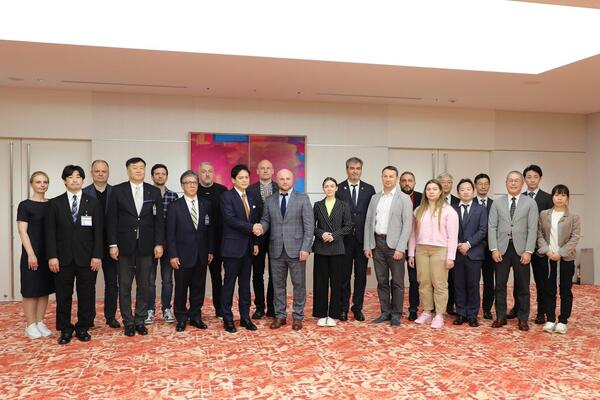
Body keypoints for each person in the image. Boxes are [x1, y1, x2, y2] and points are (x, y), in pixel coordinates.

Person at [46, 165, 103, 344]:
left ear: (83, 180)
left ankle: (83, 327)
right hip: (62, 258)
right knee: (63, 295)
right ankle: (65, 328)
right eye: (70, 177)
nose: (75, 180)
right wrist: (52, 256)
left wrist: (97, 255)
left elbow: (99, 232)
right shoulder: (55, 203)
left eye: (78, 176)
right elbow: (50, 233)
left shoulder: (93, 203)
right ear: (65, 180)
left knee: (87, 293)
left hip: (87, 258)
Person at [107, 157, 164, 337]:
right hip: (124, 245)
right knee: (124, 285)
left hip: (147, 246)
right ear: (128, 171)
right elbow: (111, 219)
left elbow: (159, 221)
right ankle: (128, 322)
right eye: (135, 168)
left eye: (141, 168)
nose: (138, 170)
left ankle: (140, 320)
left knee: (144, 285)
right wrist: (113, 244)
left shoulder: (154, 191)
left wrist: (159, 243)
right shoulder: (117, 190)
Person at [259, 169, 314, 331]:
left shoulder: (303, 198)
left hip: (297, 250)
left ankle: (298, 316)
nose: (284, 181)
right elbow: (265, 220)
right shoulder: (270, 200)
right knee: (278, 285)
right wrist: (260, 228)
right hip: (276, 250)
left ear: (293, 180)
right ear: (277, 180)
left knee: (299, 285)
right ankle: (280, 316)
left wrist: (306, 248)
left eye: (287, 179)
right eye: (282, 179)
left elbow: (309, 226)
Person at [488, 171, 538, 331]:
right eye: (510, 180)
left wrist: (529, 251)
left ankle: (523, 319)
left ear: (522, 183)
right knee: (500, 285)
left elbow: (532, 229)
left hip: (521, 250)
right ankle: (500, 316)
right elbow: (492, 227)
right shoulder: (497, 202)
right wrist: (494, 249)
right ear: (506, 183)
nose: (513, 183)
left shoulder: (530, 203)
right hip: (501, 250)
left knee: (523, 286)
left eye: (517, 181)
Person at [364, 166, 413, 327]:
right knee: (382, 280)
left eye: (391, 176)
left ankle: (396, 314)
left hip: (395, 246)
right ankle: (385, 312)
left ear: (396, 179)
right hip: (377, 243)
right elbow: (369, 222)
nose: (388, 179)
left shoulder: (404, 198)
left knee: (397, 281)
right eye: (385, 176)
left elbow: (407, 225)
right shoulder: (375, 198)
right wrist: (367, 245)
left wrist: (401, 248)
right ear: (381, 177)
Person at [408, 179, 459, 329]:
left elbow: (453, 236)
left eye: (434, 189)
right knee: (424, 282)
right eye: (428, 189)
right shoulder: (418, 210)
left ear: (440, 192)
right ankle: (427, 311)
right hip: (421, 250)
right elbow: (413, 234)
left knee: (439, 283)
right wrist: (411, 253)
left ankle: (439, 314)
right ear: (425, 192)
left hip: (440, 250)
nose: (431, 192)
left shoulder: (449, 211)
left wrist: (451, 257)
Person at [167, 170, 214, 332]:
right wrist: (173, 255)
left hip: (201, 254)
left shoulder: (206, 204)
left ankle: (195, 316)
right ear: (182, 186)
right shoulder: (175, 206)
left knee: (198, 288)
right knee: (181, 288)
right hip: (181, 255)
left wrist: (210, 250)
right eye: (188, 182)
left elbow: (210, 230)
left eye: (194, 182)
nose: (192, 185)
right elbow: (170, 234)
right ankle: (181, 318)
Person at [220, 164, 260, 333]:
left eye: (246, 177)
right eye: (241, 177)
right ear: (233, 180)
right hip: (232, 248)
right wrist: (252, 228)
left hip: (248, 248)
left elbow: (254, 219)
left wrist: (256, 242)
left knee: (245, 286)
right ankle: (228, 319)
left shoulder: (251, 196)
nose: (244, 180)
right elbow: (230, 219)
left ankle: (245, 318)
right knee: (229, 285)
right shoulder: (226, 197)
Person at [335, 157, 375, 322]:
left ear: (361, 170)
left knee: (360, 276)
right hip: (344, 241)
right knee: (343, 276)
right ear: (347, 169)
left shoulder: (369, 189)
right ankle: (343, 308)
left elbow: (372, 217)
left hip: (362, 240)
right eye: (352, 168)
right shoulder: (338, 188)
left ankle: (357, 308)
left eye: (358, 168)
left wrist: (370, 242)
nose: (355, 171)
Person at [537, 184, 581, 334]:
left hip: (565, 258)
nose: (559, 198)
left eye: (563, 195)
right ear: (552, 197)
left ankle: (563, 321)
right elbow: (539, 235)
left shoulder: (574, 217)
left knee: (565, 290)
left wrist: (560, 253)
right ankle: (550, 319)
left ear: (567, 198)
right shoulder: (544, 214)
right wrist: (547, 251)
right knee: (549, 289)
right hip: (549, 257)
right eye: (557, 195)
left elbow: (575, 238)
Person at [513, 164, 554, 325]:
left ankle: (541, 312)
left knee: (541, 281)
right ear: (524, 179)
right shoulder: (518, 197)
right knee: (519, 281)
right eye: (529, 177)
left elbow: (549, 225)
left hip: (540, 248)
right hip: (521, 247)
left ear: (540, 179)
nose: (532, 180)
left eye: (535, 177)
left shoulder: (548, 198)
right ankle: (517, 308)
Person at [83, 160, 120, 328]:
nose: (100, 174)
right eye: (97, 171)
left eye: (103, 171)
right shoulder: (83, 193)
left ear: (108, 173)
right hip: (89, 246)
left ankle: (110, 316)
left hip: (112, 245)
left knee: (112, 283)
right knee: (88, 284)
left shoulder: (117, 192)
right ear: (91, 173)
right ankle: (88, 317)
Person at [17, 171, 54, 340]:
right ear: (31, 184)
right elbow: (22, 231)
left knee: (44, 289)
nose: (42, 185)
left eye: (45, 182)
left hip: (49, 253)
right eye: (38, 182)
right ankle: (30, 324)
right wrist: (31, 254)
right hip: (32, 252)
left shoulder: (52, 204)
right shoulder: (25, 205)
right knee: (31, 290)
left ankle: (40, 322)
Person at [313, 177, 354, 327]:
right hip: (321, 248)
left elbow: (348, 226)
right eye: (326, 186)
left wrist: (334, 235)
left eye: (332, 186)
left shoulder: (343, 205)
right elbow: (311, 226)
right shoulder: (317, 205)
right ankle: (321, 314)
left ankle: (334, 314)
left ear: (336, 188)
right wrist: (322, 234)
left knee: (337, 283)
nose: (329, 188)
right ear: (323, 188)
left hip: (337, 248)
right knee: (320, 283)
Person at [146, 163, 179, 325]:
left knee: (167, 280)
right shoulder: (146, 195)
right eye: (157, 173)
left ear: (166, 176)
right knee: (149, 280)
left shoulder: (173, 196)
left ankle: (166, 309)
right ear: (152, 176)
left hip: (169, 243)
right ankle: (150, 310)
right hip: (149, 244)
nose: (160, 176)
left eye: (163, 173)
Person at [452, 179, 487, 327]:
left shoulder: (481, 209)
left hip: (474, 253)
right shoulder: (452, 208)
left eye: (468, 189)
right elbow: (448, 230)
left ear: (473, 192)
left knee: (473, 285)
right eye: (462, 189)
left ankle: (472, 315)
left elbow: (483, 230)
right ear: (458, 192)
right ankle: (461, 313)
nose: (465, 192)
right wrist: (458, 244)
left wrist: (468, 244)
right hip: (456, 252)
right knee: (458, 284)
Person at [247, 159, 278, 319]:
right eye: (262, 168)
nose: (265, 171)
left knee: (275, 274)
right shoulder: (250, 190)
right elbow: (249, 216)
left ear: (273, 171)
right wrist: (254, 240)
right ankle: (259, 307)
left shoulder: (280, 187)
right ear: (257, 171)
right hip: (257, 238)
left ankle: (272, 307)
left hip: (276, 238)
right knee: (257, 273)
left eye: (268, 168)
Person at [197, 162, 228, 319]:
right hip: (199, 243)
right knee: (198, 279)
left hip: (219, 242)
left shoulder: (222, 191)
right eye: (204, 171)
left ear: (213, 173)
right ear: (199, 174)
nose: (207, 174)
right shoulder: (193, 190)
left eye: (210, 171)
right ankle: (196, 310)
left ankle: (219, 309)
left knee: (217, 278)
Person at [400, 170, 422, 321]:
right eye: (404, 180)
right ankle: (395, 308)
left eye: (410, 180)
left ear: (414, 183)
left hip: (417, 245)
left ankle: (413, 309)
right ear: (400, 183)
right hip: (396, 244)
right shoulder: (394, 198)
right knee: (396, 279)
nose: (407, 183)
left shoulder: (423, 198)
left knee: (414, 280)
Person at [438, 172, 459, 316]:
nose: (446, 184)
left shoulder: (458, 201)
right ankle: (436, 305)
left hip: (454, 245)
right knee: (437, 278)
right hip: (437, 246)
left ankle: (450, 305)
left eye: (449, 182)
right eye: (443, 182)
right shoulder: (432, 200)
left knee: (453, 278)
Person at [474, 173, 494, 320]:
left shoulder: (495, 204)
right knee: (473, 280)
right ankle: (473, 308)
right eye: (480, 183)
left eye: (486, 183)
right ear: (475, 186)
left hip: (489, 249)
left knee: (489, 280)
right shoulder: (470, 203)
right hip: (473, 248)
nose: (483, 186)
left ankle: (487, 309)